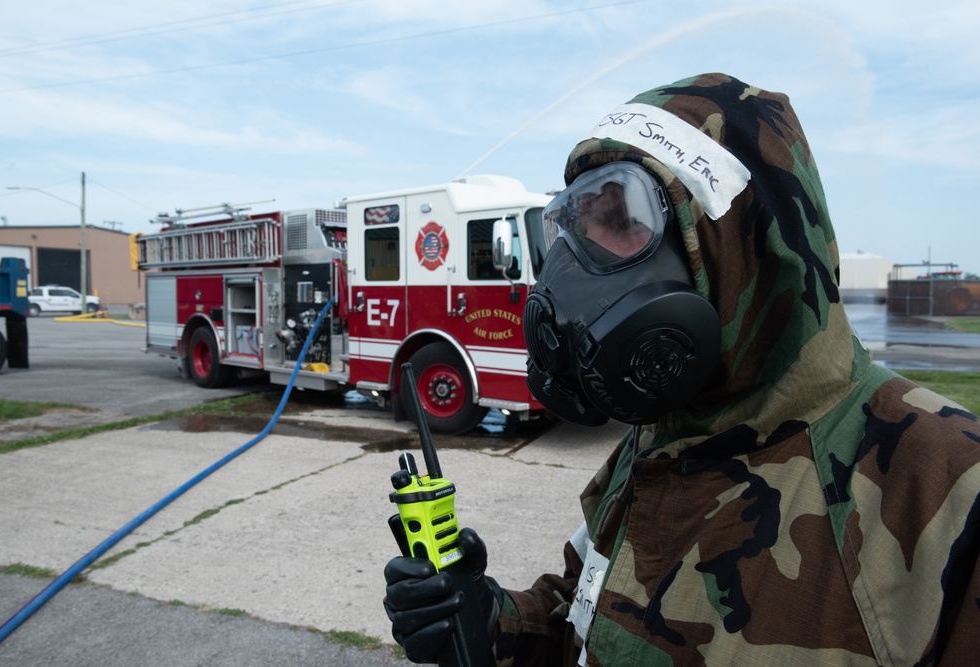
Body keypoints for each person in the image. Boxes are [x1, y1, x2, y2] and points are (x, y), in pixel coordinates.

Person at [384, 73, 980, 666]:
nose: (574, 264)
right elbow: (588, 617)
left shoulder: (944, 481)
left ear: (731, 241)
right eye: (574, 225)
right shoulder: (656, 443)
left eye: (619, 220)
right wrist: (493, 622)